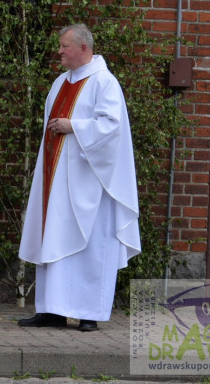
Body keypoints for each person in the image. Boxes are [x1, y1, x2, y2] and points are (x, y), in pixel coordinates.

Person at [17, 23, 140, 332]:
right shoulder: (60, 82)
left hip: (91, 183)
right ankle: (52, 310)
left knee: (90, 244)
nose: (59, 51)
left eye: (64, 46)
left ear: (83, 48)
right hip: (55, 181)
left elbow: (112, 127)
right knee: (55, 239)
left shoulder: (104, 83)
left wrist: (75, 127)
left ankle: (89, 313)